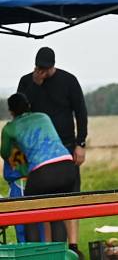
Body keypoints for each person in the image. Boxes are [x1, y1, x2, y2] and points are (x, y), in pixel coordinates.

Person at [17, 47, 87, 255]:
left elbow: (81, 112)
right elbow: (21, 111)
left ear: (52, 66)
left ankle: (73, 246)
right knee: (43, 200)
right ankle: (50, 249)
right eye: (38, 68)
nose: (41, 72)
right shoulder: (27, 82)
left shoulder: (69, 80)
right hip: (39, 153)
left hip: (66, 147)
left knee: (71, 197)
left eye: (44, 69)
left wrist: (80, 143)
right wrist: (35, 86)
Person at [1, 93, 76, 243]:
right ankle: (59, 256)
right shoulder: (43, 116)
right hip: (67, 166)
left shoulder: (10, 128)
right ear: (28, 105)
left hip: (42, 171)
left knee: (30, 214)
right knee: (57, 215)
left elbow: (5, 152)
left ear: (11, 111)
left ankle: (34, 254)